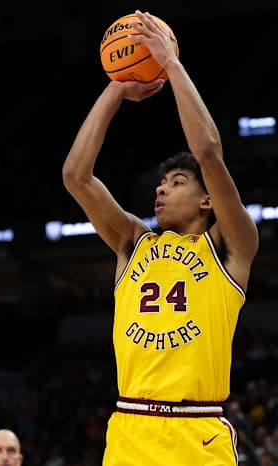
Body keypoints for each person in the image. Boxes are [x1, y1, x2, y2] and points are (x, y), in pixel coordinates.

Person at [62, 10, 258, 466]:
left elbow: (208, 151)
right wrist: (115, 89)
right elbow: (75, 175)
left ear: (207, 201)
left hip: (197, 431)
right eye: (161, 181)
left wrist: (171, 64)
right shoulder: (134, 241)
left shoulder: (231, 246)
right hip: (130, 430)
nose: (161, 188)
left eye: (175, 181)